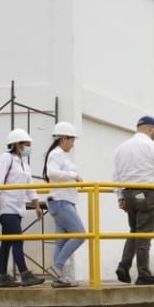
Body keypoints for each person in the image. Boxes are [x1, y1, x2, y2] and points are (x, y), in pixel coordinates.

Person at [111, 115, 154, 286]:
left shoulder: (121, 148)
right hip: (146, 194)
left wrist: (120, 197)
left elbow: (115, 176)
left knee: (134, 231)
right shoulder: (152, 146)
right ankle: (143, 273)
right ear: (150, 129)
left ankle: (124, 266)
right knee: (144, 234)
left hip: (128, 195)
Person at [0, 128, 44, 288]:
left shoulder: (25, 164)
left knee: (6, 242)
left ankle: (2, 277)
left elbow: (30, 187)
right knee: (18, 240)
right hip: (6, 207)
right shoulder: (6, 158)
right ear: (18, 144)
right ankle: (25, 274)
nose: (29, 148)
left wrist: (37, 205)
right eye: (27, 144)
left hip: (17, 208)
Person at [42, 121, 85, 288]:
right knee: (80, 235)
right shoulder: (56, 154)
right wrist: (74, 176)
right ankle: (57, 267)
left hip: (62, 201)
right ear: (63, 139)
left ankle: (58, 278)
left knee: (61, 242)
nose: (73, 144)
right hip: (61, 202)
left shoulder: (60, 155)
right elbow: (51, 173)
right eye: (72, 140)